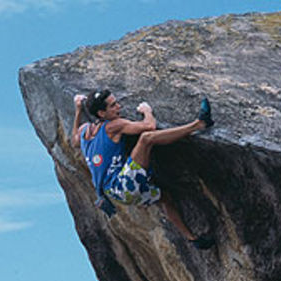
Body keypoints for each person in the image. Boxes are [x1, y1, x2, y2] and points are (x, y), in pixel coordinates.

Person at [71, 89, 215, 249]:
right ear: (101, 113)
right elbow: (150, 126)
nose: (119, 106)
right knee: (146, 139)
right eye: (113, 106)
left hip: (116, 195)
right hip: (123, 185)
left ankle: (193, 239)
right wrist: (147, 110)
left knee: (164, 199)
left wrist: (78, 110)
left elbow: (74, 142)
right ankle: (199, 124)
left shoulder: (84, 131)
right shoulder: (113, 126)